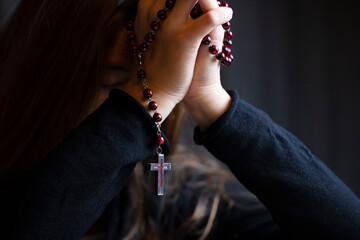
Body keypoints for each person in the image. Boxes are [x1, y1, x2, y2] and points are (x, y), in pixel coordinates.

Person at [0, 0, 359, 239]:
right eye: (112, 85)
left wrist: (210, 101)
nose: (143, 101)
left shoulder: (188, 208)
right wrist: (147, 96)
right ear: (42, 75)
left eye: (161, 84)